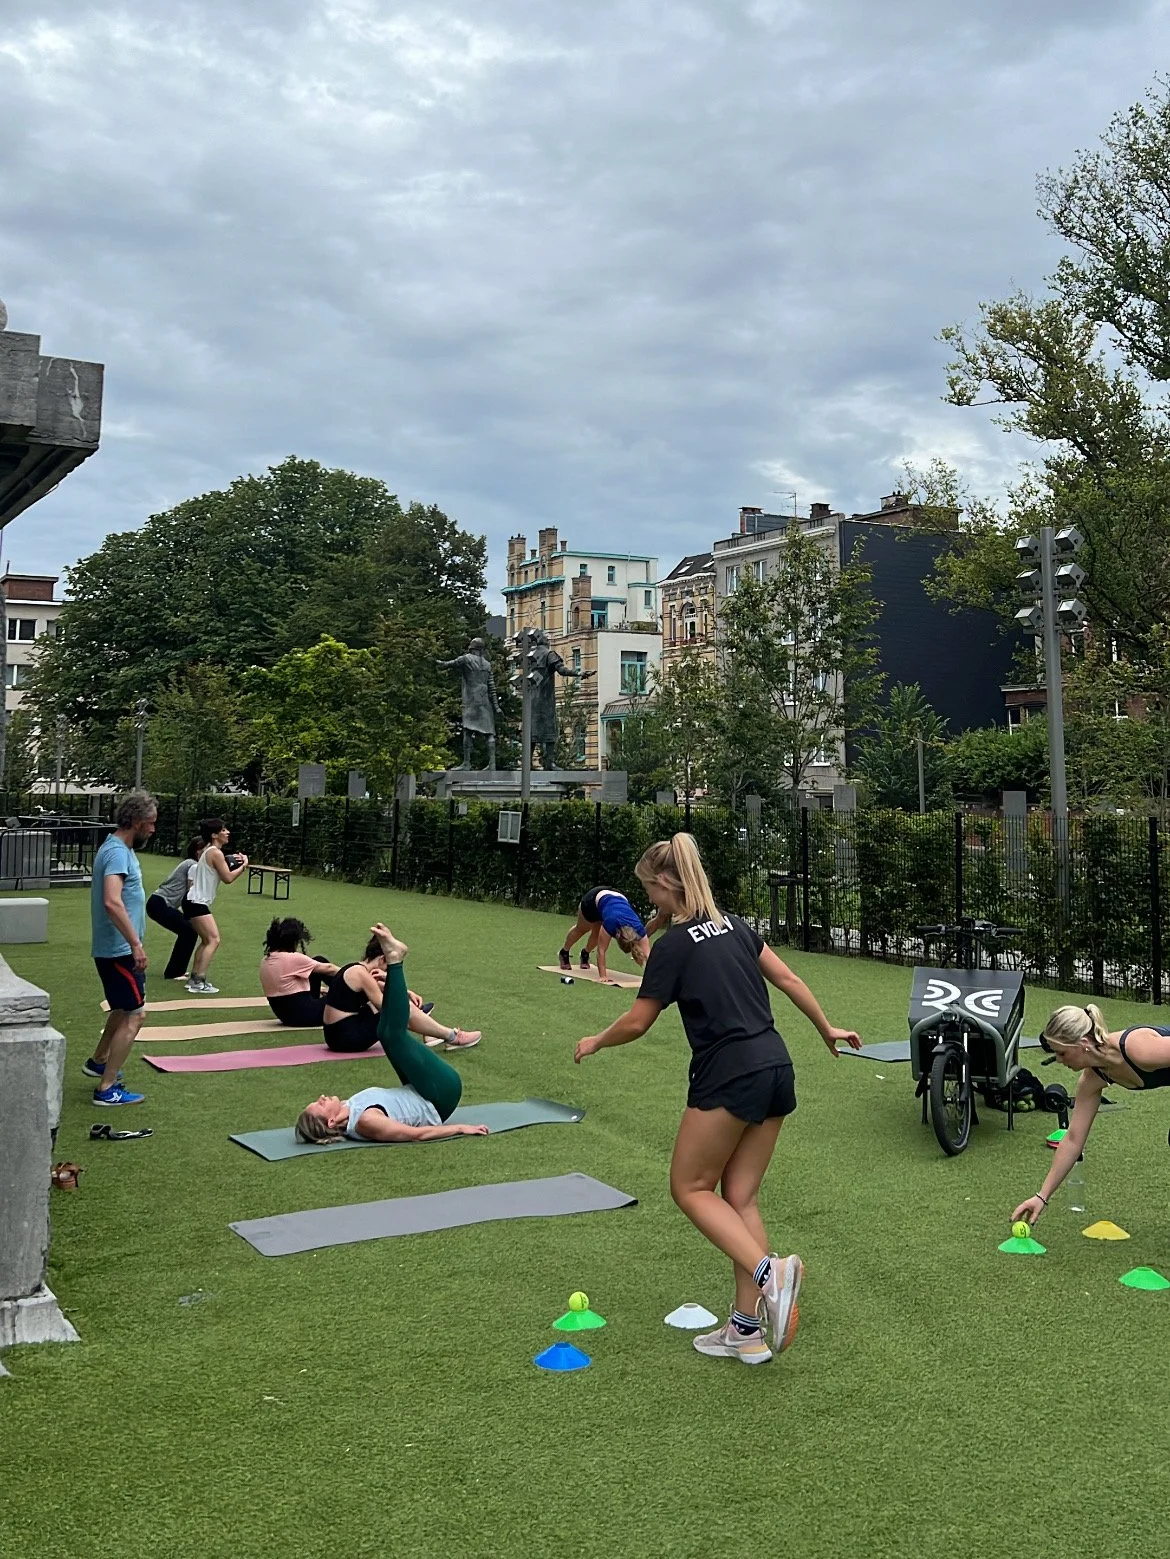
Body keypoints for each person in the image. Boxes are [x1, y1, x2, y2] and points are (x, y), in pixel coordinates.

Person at [573, 833, 860, 1366]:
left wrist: (595, 1040)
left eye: (649, 892)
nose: (649, 905)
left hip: (729, 1073)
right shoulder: (736, 926)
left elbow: (639, 1020)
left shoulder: (674, 947)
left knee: (689, 1187)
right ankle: (745, 1331)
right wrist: (826, 1029)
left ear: (665, 883)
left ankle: (771, 1274)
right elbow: (789, 978)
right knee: (741, 1198)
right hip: (776, 1066)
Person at [295, 924, 490, 1144]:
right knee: (391, 1033)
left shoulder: (347, 1109)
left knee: (386, 1031)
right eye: (320, 1105)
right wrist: (461, 1128)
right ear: (330, 1122)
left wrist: (393, 985)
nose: (321, 1097)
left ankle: (396, 960)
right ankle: (397, 960)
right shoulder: (366, 1122)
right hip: (440, 1095)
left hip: (420, 1087)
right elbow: (417, 1135)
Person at [1011, 1003, 1170, 1229]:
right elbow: (1073, 1139)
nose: (1058, 1059)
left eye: (1062, 1052)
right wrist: (1041, 1196)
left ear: (1083, 1044)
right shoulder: (1092, 1079)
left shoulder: (1137, 1048)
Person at [84, 791, 159, 1106]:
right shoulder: (116, 852)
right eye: (151, 824)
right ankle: (107, 1087)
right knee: (135, 1015)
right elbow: (112, 901)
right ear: (138, 822)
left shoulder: (118, 848)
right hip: (119, 952)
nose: (153, 830)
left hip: (115, 949)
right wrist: (135, 944)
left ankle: (99, 1060)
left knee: (120, 1007)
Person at [321, 933, 482, 1053]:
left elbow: (381, 988)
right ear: (383, 959)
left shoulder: (356, 969)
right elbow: (388, 1007)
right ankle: (452, 1037)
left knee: (403, 1004)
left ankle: (432, 1033)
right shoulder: (360, 974)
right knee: (402, 1008)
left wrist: (407, 992)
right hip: (345, 1038)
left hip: (337, 1035)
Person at [183, 818, 249, 994]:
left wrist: (233, 861)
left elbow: (218, 867)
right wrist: (244, 866)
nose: (227, 832)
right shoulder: (215, 853)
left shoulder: (210, 851)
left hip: (192, 901)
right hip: (197, 901)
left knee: (206, 940)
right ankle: (199, 981)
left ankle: (195, 979)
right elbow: (227, 878)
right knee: (214, 940)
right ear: (214, 834)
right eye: (223, 830)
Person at [558, 887, 664, 984]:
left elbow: (648, 955)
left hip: (615, 899)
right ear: (617, 936)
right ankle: (564, 952)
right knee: (582, 929)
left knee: (596, 934)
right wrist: (603, 976)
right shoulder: (611, 923)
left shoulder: (639, 929)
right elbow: (601, 951)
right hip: (594, 899)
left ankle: (585, 953)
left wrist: (654, 978)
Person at [259, 918, 341, 1027]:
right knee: (343, 997)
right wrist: (355, 975)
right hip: (305, 1015)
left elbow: (284, 983)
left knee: (317, 961)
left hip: (285, 1015)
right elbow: (329, 968)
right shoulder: (293, 959)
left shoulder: (265, 960)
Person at [145, 837, 204, 981]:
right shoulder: (193, 865)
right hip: (160, 903)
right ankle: (174, 972)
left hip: (158, 902)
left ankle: (176, 970)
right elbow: (191, 892)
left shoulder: (190, 864)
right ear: (198, 851)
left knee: (189, 930)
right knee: (189, 931)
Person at [437, 637, 501, 771]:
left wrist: (433, 661)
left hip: (471, 700)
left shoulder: (466, 659)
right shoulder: (487, 665)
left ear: (471, 648)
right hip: (485, 701)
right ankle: (492, 764)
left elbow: (447, 664)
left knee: (467, 731)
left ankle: (467, 763)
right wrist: (496, 706)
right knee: (489, 733)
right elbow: (492, 687)